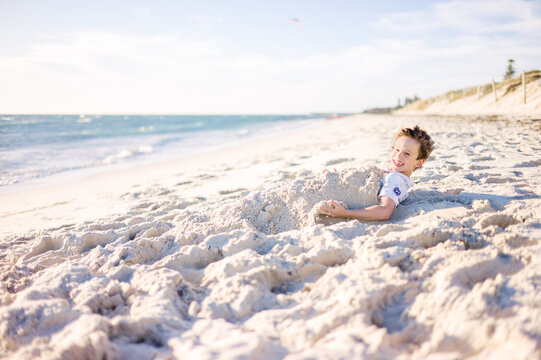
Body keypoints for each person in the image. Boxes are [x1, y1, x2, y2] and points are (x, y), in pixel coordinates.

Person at [319, 125, 434, 221]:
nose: (398, 156)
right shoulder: (392, 174)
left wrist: (345, 213)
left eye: (407, 154)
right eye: (397, 150)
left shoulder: (395, 179)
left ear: (419, 163)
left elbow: (384, 211)